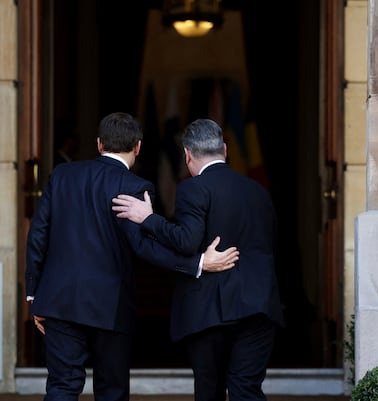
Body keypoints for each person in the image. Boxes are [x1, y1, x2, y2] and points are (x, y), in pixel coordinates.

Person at [25, 112, 239, 401]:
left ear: (99, 143)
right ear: (138, 146)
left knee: (61, 387)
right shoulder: (135, 187)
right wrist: (199, 263)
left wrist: (33, 294)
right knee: (111, 392)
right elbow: (145, 247)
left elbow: (38, 234)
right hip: (109, 306)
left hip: (59, 300)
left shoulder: (62, 175)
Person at [111, 118, 285, 401]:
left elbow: (186, 241)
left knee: (209, 392)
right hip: (259, 305)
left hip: (209, 311)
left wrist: (148, 218)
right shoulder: (259, 191)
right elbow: (270, 245)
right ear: (225, 150)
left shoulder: (193, 188)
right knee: (247, 389)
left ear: (188, 155)